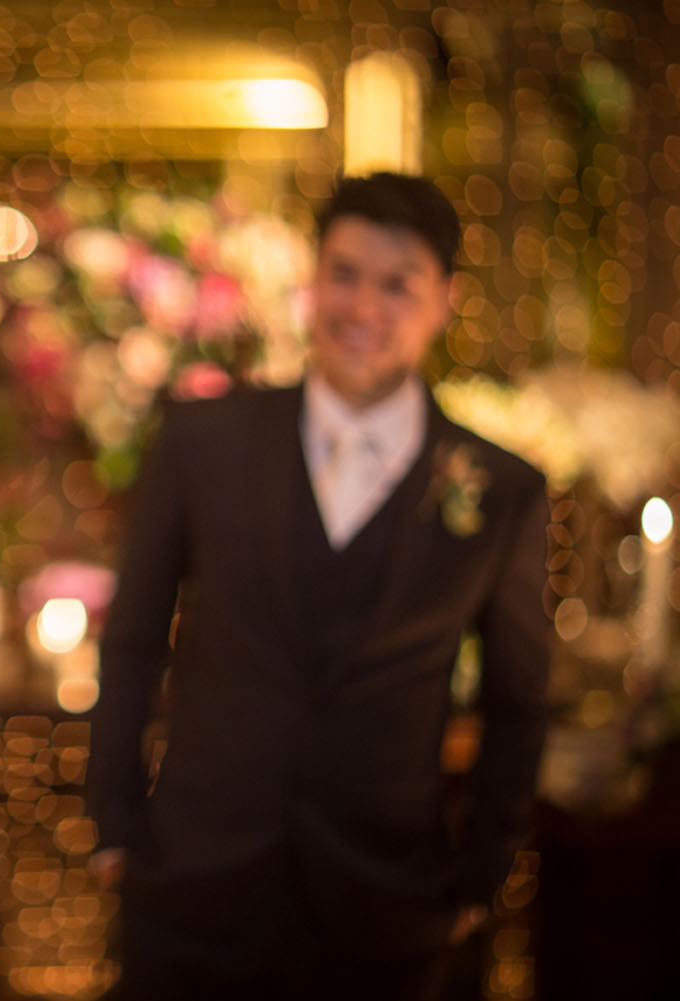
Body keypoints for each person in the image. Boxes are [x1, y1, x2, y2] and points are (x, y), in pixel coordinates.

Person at [86, 172, 552, 1000]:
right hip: (192, 889)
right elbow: (131, 642)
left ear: (444, 299)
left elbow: (518, 704)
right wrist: (116, 827)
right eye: (343, 274)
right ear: (313, 282)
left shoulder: (502, 487)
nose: (362, 307)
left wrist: (479, 880)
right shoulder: (203, 440)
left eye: (396, 283)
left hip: (388, 909)